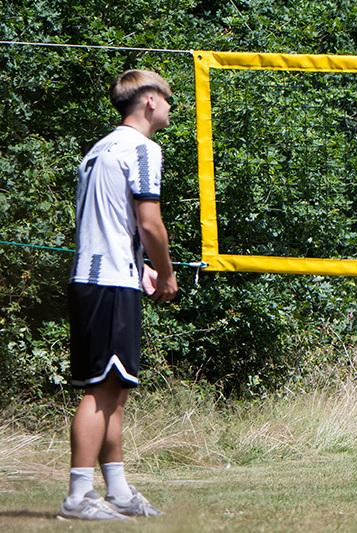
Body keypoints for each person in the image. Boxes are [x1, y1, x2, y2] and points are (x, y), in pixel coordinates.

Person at [59, 70, 179, 521]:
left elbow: (108, 222)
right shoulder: (142, 149)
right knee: (100, 391)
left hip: (104, 276)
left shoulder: (98, 149)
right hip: (107, 282)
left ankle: (119, 490)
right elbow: (149, 223)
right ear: (149, 102)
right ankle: (78, 496)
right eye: (168, 100)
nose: (171, 108)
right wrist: (165, 273)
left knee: (115, 387)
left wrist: (141, 266)